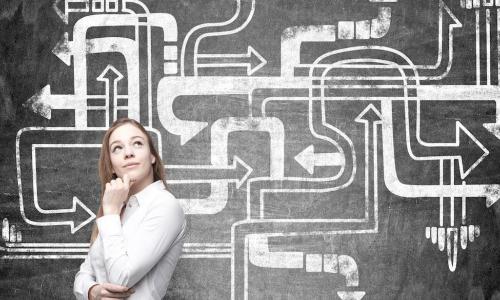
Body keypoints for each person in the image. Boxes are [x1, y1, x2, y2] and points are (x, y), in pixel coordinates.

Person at [73, 118, 186, 300]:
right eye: (117, 148)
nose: (128, 153)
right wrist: (92, 291)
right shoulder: (118, 208)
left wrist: (110, 213)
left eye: (137, 143)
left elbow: (121, 279)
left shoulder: (165, 205)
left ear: (152, 157)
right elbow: (82, 277)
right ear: (111, 165)